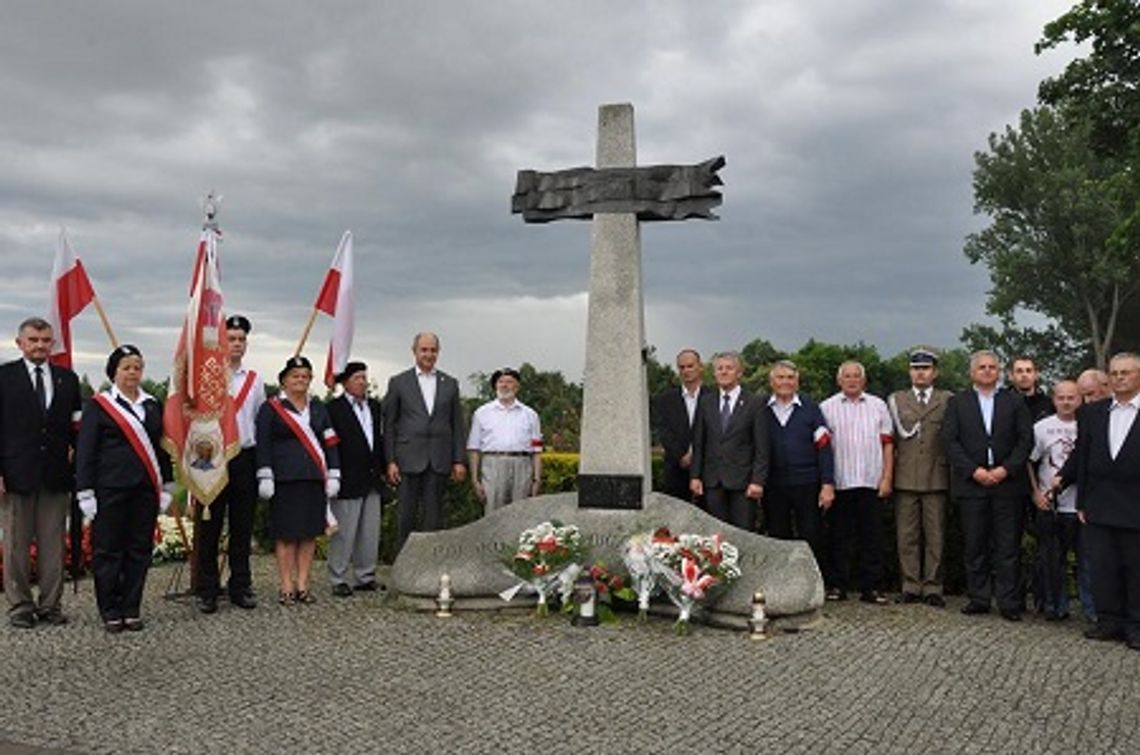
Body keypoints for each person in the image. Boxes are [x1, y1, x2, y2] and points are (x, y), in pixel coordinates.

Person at [76, 345, 174, 632]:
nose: (133, 372)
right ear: (114, 371)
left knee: (139, 549)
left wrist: (166, 485)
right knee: (108, 550)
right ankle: (109, 609)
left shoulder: (152, 404)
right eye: (126, 367)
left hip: (144, 489)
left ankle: (131, 607)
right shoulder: (99, 405)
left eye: (137, 367)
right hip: (110, 488)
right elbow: (86, 451)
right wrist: (85, 491)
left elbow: (162, 447)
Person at [0, 317, 82, 628]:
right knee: (16, 546)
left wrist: (80, 470)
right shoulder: (4, 377)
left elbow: (76, 429)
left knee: (53, 544)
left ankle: (50, 605)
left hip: (56, 474)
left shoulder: (67, 380)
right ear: (19, 342)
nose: (39, 345)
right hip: (15, 473)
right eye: (33, 339)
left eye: (45, 340)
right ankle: (20, 605)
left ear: (52, 344)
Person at [1056, 353, 1140, 650]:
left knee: (1135, 567)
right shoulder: (1093, 413)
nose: (1119, 378)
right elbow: (1082, 456)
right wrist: (1078, 497)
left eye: (1126, 373)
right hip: (1099, 503)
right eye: (1115, 373)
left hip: (1135, 505)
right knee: (1103, 566)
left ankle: (1135, 624)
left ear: (1138, 376)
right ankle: (1108, 620)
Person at [941, 350, 1033, 621]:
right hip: (972, 485)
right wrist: (974, 471)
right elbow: (949, 441)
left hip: (1008, 485)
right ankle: (979, 598)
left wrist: (1006, 469)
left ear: (1000, 372)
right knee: (975, 546)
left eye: (992, 367)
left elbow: (1025, 440)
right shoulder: (958, 403)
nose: (987, 371)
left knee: (1008, 547)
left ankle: (1009, 602)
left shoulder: (1014, 401)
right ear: (972, 372)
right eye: (982, 367)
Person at [256, 356, 340, 606]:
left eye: (305, 376)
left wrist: (334, 472)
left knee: (308, 534)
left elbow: (331, 442)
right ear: (284, 380)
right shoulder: (270, 408)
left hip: (314, 478)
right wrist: (265, 473)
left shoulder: (318, 408)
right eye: (295, 376)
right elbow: (263, 444)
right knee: (286, 535)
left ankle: (303, 584)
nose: (300, 380)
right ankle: (286, 586)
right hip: (284, 480)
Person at [194, 314, 264, 614]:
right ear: (221, 342)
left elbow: (260, 422)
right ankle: (207, 589)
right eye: (231, 339)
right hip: (211, 458)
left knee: (241, 526)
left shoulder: (255, 380)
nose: (236, 344)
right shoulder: (206, 375)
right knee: (209, 526)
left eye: (241, 339)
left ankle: (240, 585)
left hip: (244, 458)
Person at [383, 332, 466, 554]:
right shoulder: (399, 382)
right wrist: (390, 460)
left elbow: (457, 424)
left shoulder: (450, 384)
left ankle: (429, 568)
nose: (428, 354)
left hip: (439, 459)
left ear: (438, 352)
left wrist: (459, 460)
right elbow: (389, 425)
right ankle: (403, 569)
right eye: (424, 350)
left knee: (434, 517)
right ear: (415, 352)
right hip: (407, 459)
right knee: (406, 517)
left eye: (433, 350)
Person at [820, 361, 894, 604]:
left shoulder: (878, 406)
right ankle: (837, 586)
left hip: (870, 481)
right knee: (839, 538)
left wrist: (886, 478)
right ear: (839, 381)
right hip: (840, 482)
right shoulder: (827, 407)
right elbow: (821, 449)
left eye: (856, 377)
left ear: (864, 381)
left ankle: (871, 587)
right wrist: (825, 483)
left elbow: (888, 444)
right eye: (847, 376)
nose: (852, 380)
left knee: (872, 539)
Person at [888, 349, 952, 607]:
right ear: (909, 372)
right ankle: (910, 584)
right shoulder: (897, 400)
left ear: (935, 372)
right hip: (905, 476)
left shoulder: (947, 399)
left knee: (936, 534)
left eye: (925, 368)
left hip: (936, 475)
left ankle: (933, 587)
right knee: (907, 535)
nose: (920, 373)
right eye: (916, 368)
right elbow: (889, 440)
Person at [762, 359, 834, 579]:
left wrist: (827, 484)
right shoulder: (760, 409)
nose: (785, 382)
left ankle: (812, 583)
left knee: (811, 535)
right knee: (777, 536)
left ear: (797, 381)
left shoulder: (812, 409)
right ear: (771, 381)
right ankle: (781, 584)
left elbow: (824, 449)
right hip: (773, 484)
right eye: (780, 377)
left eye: (790, 378)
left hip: (807, 482)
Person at [690, 351, 769, 531]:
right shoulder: (705, 402)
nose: (724, 372)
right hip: (712, 481)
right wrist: (695, 476)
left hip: (744, 483)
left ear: (739, 373)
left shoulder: (754, 403)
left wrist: (758, 481)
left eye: (729, 368)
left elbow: (762, 447)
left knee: (743, 534)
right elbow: (699, 442)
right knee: (716, 537)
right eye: (719, 369)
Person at [325, 361, 385, 597]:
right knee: (345, 531)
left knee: (369, 531)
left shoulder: (374, 406)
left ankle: (365, 575)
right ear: (346, 382)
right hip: (347, 478)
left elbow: (378, 439)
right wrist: (334, 473)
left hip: (371, 477)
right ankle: (337, 576)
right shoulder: (334, 409)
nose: (362, 382)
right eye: (358, 377)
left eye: (364, 377)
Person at [1027, 380, 1082, 621]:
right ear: (1054, 399)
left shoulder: (1088, 425)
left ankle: (1091, 608)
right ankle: (1053, 605)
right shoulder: (1041, 428)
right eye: (1061, 397)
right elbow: (1029, 460)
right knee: (1051, 559)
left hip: (1080, 505)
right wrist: (1035, 493)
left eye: (1071, 397)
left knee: (1086, 560)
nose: (1066, 402)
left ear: (1079, 399)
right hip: (1049, 503)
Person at [467, 367, 542, 513]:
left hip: (522, 465)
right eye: (501, 382)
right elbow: (474, 448)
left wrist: (537, 479)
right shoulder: (482, 413)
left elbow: (537, 449)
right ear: (495, 386)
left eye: (509, 381)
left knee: (520, 512)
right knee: (493, 512)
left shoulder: (530, 415)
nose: (505, 385)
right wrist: (475, 480)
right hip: (492, 465)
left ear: (517, 386)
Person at [652, 349, 711, 503]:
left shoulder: (714, 397)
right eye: (682, 367)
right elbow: (664, 431)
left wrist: (696, 454)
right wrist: (681, 456)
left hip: (708, 470)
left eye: (690, 366)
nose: (686, 371)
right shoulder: (665, 399)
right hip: (676, 470)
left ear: (700, 367)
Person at [1009, 356, 1054, 423]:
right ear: (1011, 376)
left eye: (1028, 371)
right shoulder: (1002, 404)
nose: (1024, 375)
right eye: (1019, 371)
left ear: (1036, 375)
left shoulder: (1050, 405)